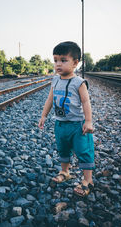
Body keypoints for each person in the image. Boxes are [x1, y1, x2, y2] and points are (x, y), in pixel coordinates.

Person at [38, 41, 95, 197]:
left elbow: (85, 102)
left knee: (83, 150)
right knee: (62, 149)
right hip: (60, 124)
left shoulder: (79, 82)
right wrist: (44, 115)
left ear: (75, 63)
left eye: (63, 60)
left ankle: (87, 180)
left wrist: (88, 121)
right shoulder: (55, 80)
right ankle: (65, 171)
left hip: (78, 125)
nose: (58, 64)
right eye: (55, 60)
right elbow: (50, 100)